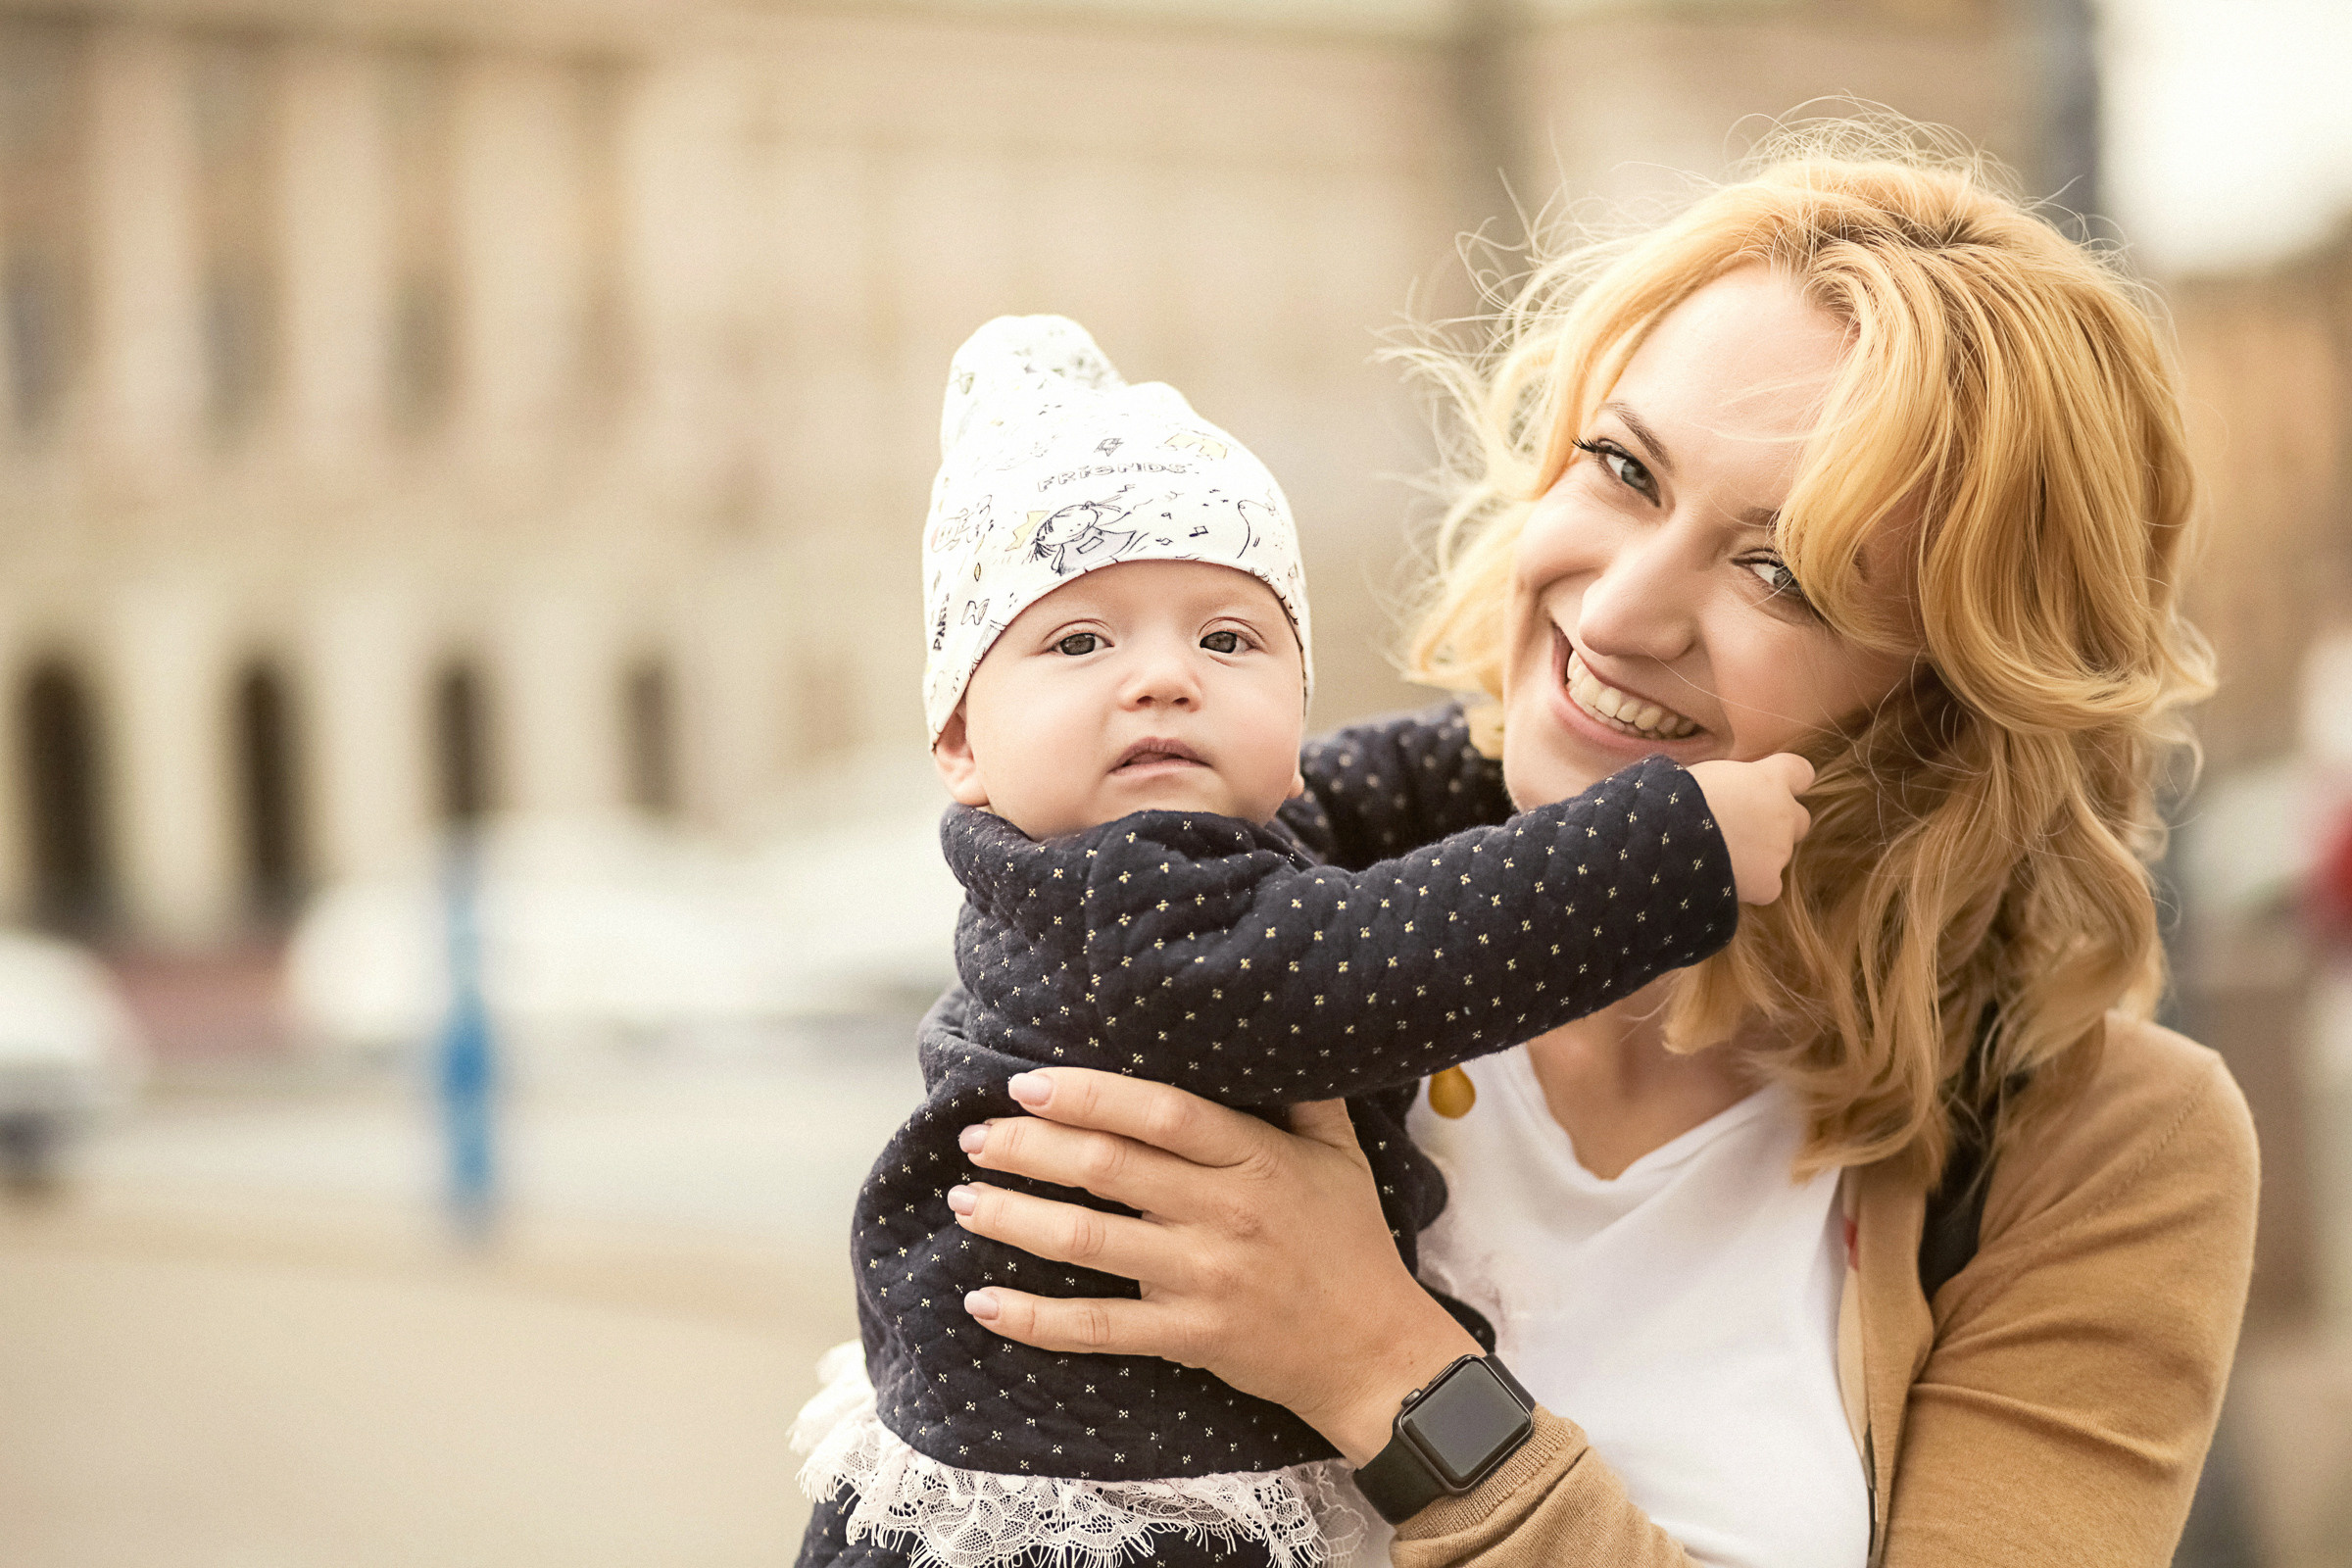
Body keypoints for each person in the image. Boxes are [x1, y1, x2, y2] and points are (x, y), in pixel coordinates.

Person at [930, 139, 2261, 1568]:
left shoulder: (2100, 1143)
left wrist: (1389, 1371)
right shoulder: (1244, 906)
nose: (1622, 612)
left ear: (1948, 692)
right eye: (1622, 469)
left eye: (1781, 570)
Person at [792, 315, 1818, 1568]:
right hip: (1087, 1520)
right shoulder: (1120, 904)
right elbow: (1362, 961)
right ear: (959, 743)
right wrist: (1671, 849)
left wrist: (1507, 745)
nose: (1163, 677)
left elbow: (1357, 806)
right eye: (1078, 642)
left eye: (1228, 640)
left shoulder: (1191, 862)